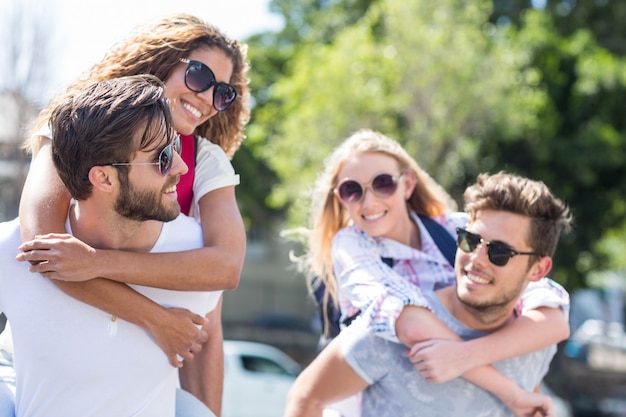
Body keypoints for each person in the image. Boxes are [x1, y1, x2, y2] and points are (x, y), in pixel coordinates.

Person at [7, 13, 250, 415]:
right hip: (52, 349)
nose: (207, 98)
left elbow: (225, 268)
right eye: (200, 77)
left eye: (222, 92)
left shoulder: (207, 161)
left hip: (152, 350)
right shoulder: (82, 127)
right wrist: (154, 319)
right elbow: (46, 247)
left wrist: (97, 263)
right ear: (161, 62)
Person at [294, 129, 570, 416]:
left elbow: (552, 315)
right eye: (352, 190)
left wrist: (464, 357)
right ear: (340, 198)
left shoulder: (456, 229)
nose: (369, 201)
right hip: (362, 390)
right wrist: (510, 393)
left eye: (383, 184)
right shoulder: (351, 246)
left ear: (408, 184)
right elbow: (410, 322)